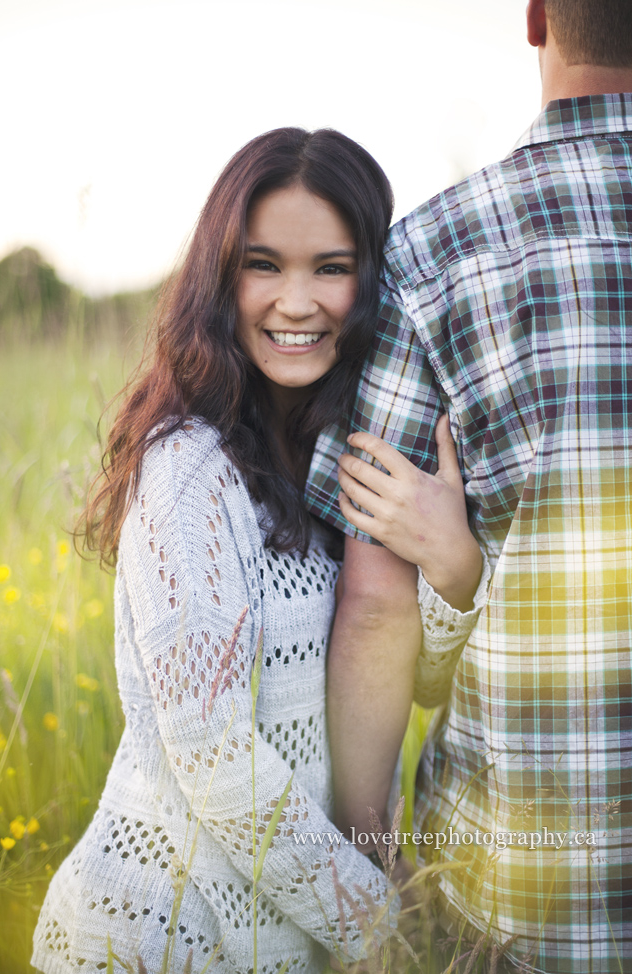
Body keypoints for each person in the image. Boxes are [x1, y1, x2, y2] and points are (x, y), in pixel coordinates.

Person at [31, 127, 477, 974]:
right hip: (159, 936)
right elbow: (213, 758)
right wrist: (386, 928)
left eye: (331, 268)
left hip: (289, 941)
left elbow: (413, 686)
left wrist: (454, 570)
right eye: (263, 265)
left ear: (375, 281)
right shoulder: (187, 469)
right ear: (220, 276)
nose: (296, 301)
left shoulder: (352, 457)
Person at [305, 1, 632, 971]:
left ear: (536, 18)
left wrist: (371, 860)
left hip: (515, 897)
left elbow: (373, 604)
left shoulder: (434, 252)